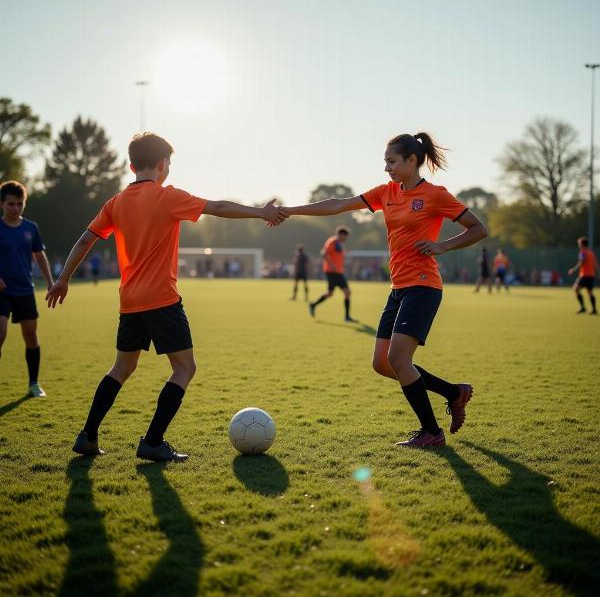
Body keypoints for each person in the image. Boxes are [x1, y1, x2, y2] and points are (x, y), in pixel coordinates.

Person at [46, 132, 288, 462]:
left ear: (132, 165)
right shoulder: (167, 196)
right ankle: (153, 441)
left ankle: (87, 435)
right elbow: (215, 207)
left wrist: (62, 279)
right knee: (185, 368)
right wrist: (259, 213)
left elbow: (85, 240)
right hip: (162, 299)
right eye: (169, 163)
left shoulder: (115, 203)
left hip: (129, 301)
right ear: (163, 165)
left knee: (122, 367)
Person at [282, 132, 487, 447]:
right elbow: (338, 204)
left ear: (411, 160)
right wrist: (291, 210)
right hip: (399, 288)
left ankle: (432, 433)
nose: (387, 168)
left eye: (392, 162)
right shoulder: (385, 192)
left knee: (399, 359)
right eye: (385, 162)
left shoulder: (435, 195)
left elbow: (478, 228)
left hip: (423, 286)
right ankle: (453, 392)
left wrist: (442, 246)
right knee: (382, 363)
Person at [0, 181, 53, 397]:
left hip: (25, 291)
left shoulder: (31, 228)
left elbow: (39, 256)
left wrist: (51, 281)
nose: (15, 208)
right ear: (2, 203)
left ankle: (33, 384)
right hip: (2, 292)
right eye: (11, 204)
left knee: (31, 337)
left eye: (19, 204)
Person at [309, 226, 357, 322]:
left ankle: (347, 317)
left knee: (346, 292)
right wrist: (332, 265)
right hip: (331, 272)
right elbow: (324, 253)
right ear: (341, 234)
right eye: (345, 236)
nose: (346, 239)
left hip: (339, 272)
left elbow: (338, 255)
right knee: (331, 293)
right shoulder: (332, 241)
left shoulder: (340, 244)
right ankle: (313, 304)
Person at [568, 237, 597, 315]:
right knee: (590, 292)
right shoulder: (591, 253)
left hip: (584, 275)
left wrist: (573, 269)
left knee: (576, 288)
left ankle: (583, 307)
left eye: (579, 243)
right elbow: (596, 264)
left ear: (582, 244)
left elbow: (582, 261)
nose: (578, 245)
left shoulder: (582, 252)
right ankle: (594, 309)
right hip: (591, 275)